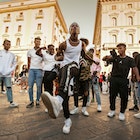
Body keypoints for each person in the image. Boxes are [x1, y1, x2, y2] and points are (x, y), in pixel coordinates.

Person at [41, 22, 88, 134]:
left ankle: (57, 100)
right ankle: (67, 120)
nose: (75, 27)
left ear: (79, 30)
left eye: (77, 26)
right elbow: (57, 56)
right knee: (64, 94)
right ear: (69, 30)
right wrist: (59, 58)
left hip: (74, 68)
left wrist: (86, 61)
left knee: (69, 67)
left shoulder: (82, 44)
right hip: (63, 69)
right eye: (72, 26)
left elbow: (84, 55)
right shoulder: (64, 44)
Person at [102, 43, 140, 121]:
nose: (119, 50)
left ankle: (122, 112)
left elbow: (134, 67)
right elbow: (104, 59)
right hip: (114, 79)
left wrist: (137, 76)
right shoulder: (115, 58)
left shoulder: (130, 59)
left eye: (120, 48)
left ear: (125, 49)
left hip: (123, 80)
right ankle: (112, 110)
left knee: (124, 97)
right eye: (118, 48)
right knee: (112, 96)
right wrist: (107, 57)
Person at [70, 39, 94, 116]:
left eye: (83, 44)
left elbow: (89, 63)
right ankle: (76, 107)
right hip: (77, 75)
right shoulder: (76, 53)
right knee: (75, 92)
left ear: (86, 45)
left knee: (86, 92)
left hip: (85, 76)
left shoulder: (89, 54)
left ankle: (84, 108)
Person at [0, 39, 18, 107]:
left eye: (9, 44)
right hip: (0, 73)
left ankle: (11, 102)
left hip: (7, 74)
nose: (8, 45)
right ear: (3, 44)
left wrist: (10, 70)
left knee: (9, 87)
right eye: (6, 44)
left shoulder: (12, 55)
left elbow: (15, 63)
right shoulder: (0, 52)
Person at [26, 37, 43, 108]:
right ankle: (31, 101)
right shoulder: (30, 51)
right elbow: (29, 61)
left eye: (39, 42)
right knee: (30, 86)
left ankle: (38, 100)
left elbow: (44, 60)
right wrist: (29, 69)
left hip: (39, 69)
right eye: (37, 41)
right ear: (34, 42)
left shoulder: (42, 51)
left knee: (39, 86)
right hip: (32, 70)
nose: (38, 43)